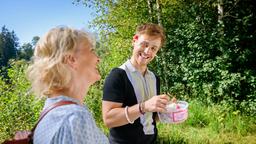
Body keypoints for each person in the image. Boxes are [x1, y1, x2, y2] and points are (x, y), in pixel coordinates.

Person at [27, 26, 109, 144]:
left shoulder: (50, 114)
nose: (98, 58)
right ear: (71, 60)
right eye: (91, 50)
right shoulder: (75, 118)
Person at [102, 23, 172, 144]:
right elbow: (109, 119)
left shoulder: (154, 78)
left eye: (153, 48)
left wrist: (168, 111)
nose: (147, 51)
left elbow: (151, 117)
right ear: (134, 40)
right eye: (144, 44)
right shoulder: (117, 75)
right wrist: (143, 107)